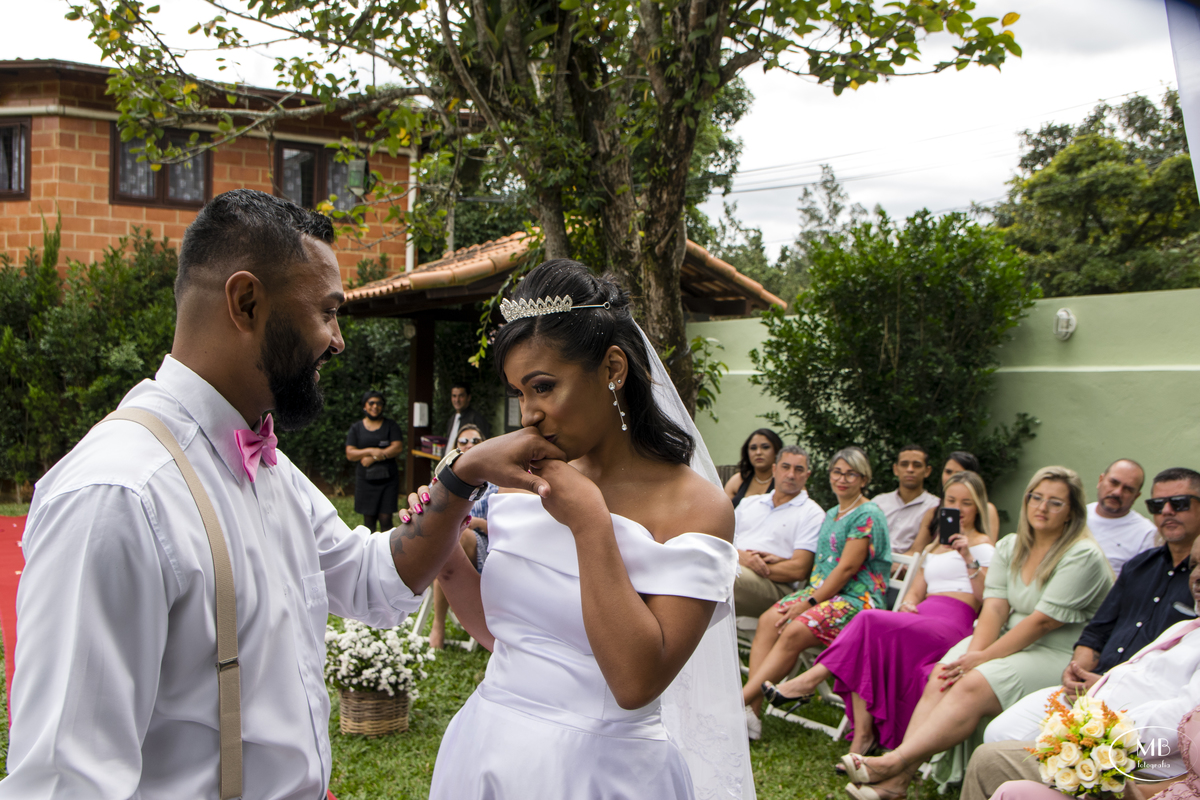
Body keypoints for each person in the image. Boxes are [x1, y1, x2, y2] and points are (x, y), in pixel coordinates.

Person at [0, 189, 559, 799]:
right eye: (326, 311)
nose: (338, 340)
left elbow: (373, 578)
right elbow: (63, 784)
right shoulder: (119, 497)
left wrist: (462, 474)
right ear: (245, 303)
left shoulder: (270, 470)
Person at [400, 260, 755, 798]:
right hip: (487, 747)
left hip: (602, 770)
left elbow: (636, 682)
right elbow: (509, 639)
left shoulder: (696, 508)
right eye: (520, 392)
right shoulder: (523, 481)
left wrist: (591, 523)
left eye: (543, 387)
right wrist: (450, 552)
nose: (529, 415)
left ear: (613, 368)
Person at [841, 466, 1113, 800]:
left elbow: (1042, 622)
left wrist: (982, 659)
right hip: (1009, 638)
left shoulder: (1082, 554)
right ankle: (898, 782)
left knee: (971, 681)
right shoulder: (1013, 545)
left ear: (1071, 512)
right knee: (944, 673)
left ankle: (893, 762)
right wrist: (974, 654)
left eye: (1055, 503)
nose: (1041, 508)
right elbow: (995, 607)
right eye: (1036, 498)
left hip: (1057, 652)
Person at [762, 470, 995, 765]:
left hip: (953, 623)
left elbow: (990, 597)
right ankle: (863, 737)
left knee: (869, 621)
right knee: (869, 639)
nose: (958, 509)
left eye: (966, 503)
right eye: (951, 500)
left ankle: (810, 680)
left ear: (978, 507)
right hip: (920, 618)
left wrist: (967, 556)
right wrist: (910, 603)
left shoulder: (985, 547)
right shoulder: (936, 546)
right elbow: (915, 591)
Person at [957, 533, 1200, 800]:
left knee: (989, 761)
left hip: (1136, 760)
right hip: (1091, 712)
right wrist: (1099, 683)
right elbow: (1105, 639)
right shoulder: (1185, 627)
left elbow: (1185, 719)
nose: (1197, 575)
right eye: (1195, 565)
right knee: (999, 734)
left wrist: (1101, 732)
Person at [982, 466, 1200, 744]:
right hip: (1092, 688)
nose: (1167, 511)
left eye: (1179, 503)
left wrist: (1112, 685)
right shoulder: (1139, 566)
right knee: (1000, 734)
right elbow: (1097, 631)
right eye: (1157, 505)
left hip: (1145, 705)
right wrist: (1077, 672)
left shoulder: (1197, 582)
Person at [740, 446, 892, 740]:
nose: (843, 479)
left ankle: (738, 703)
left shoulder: (868, 514)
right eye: (838, 472)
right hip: (824, 593)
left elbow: (847, 570)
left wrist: (808, 603)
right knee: (769, 620)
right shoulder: (834, 513)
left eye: (851, 474)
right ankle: (752, 715)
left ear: (864, 479)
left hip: (856, 600)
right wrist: (780, 563)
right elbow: (823, 565)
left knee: (796, 629)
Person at [732, 445, 825, 618]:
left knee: (721, 574)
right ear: (774, 469)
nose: (791, 475)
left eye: (798, 470)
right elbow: (722, 541)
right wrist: (743, 558)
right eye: (785, 467)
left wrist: (755, 565)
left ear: (807, 475)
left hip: (774, 586)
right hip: (736, 566)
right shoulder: (749, 503)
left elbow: (798, 570)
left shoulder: (812, 514)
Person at [429, 423, 498, 648]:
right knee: (449, 543)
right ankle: (438, 624)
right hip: (447, 545)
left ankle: (437, 626)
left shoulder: (496, 482)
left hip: (487, 545)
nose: (470, 445)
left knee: (455, 541)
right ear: (456, 448)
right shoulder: (443, 481)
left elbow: (503, 528)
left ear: (484, 445)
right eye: (464, 442)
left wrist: (475, 523)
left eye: (475, 441)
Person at [911, 451, 1002, 550]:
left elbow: (989, 552)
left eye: (959, 474)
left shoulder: (988, 511)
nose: (952, 478)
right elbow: (916, 550)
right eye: (948, 472)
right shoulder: (933, 511)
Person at [345, 389, 404, 530]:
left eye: (379, 403)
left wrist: (375, 458)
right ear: (364, 406)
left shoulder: (391, 426)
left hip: (387, 479)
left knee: (386, 520)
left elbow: (397, 447)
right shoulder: (356, 428)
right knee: (368, 521)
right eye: (371, 403)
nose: (375, 406)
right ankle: (370, 551)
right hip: (365, 480)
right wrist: (371, 451)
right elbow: (350, 453)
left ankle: (386, 551)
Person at [1087, 458, 1158, 576]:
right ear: (1100, 480)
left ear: (1136, 496)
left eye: (1128, 489)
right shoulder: (1075, 515)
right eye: (1114, 483)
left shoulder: (1146, 534)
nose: (1117, 492)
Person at [871, 445, 941, 554]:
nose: (910, 469)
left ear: (927, 471)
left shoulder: (935, 506)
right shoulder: (878, 502)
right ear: (895, 469)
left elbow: (918, 551)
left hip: (910, 567)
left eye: (917, 465)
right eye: (904, 465)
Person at [724, 428, 784, 507]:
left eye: (765, 447)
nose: (758, 452)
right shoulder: (737, 480)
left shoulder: (786, 481)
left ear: (777, 451)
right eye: (753, 448)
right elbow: (722, 511)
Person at [445, 381, 490, 447]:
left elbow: (483, 445)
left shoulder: (476, 418)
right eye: (454, 396)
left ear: (468, 397)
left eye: (461, 396)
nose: (457, 400)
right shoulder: (452, 419)